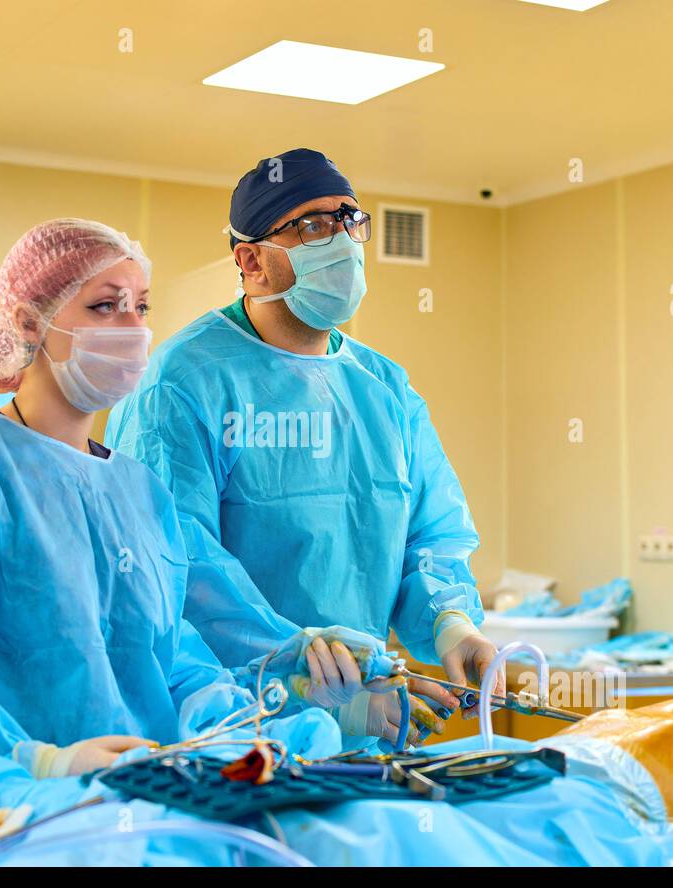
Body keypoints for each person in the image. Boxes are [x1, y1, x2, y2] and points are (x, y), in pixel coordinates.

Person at [0, 219, 428, 777]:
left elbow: (175, 668)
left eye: (141, 307)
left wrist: (297, 715)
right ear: (27, 322)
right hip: (4, 820)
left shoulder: (138, 493)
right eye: (105, 307)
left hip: (142, 808)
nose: (131, 329)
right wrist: (34, 762)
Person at [107, 148, 503, 719]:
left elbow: (431, 532)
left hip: (367, 716)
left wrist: (449, 624)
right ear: (251, 260)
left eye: (349, 220)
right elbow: (179, 571)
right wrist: (301, 679)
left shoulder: (384, 388)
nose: (341, 240)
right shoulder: (183, 384)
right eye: (313, 225)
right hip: (233, 727)